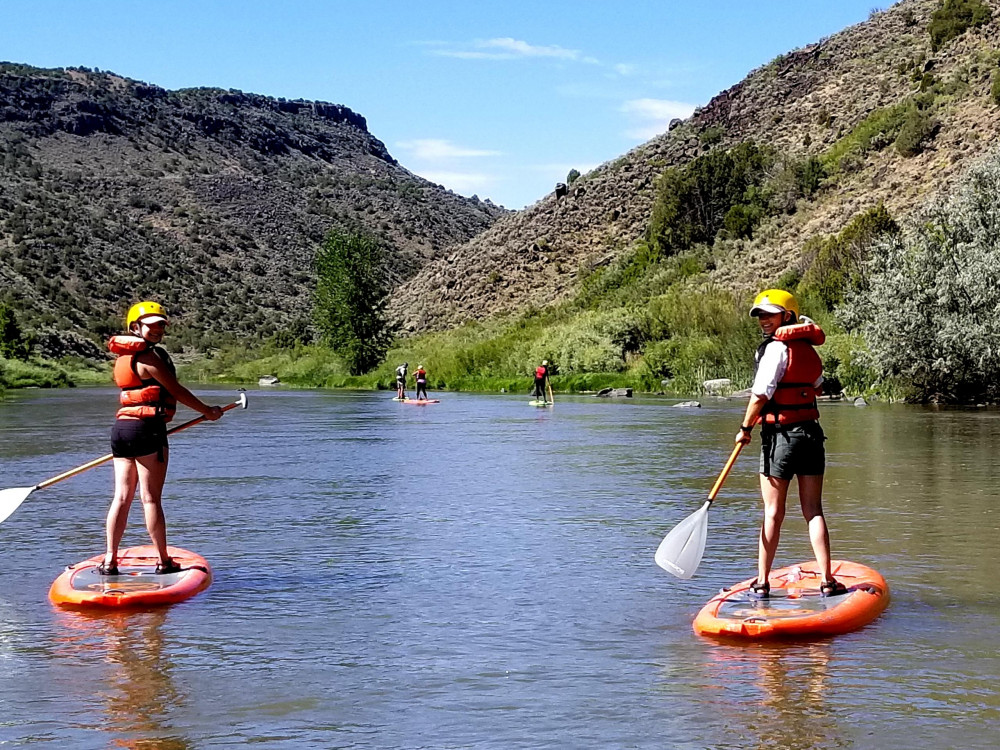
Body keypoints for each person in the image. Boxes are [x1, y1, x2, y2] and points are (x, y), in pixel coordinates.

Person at [735, 289, 847, 598]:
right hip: (811, 435)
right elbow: (818, 389)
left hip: (781, 439)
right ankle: (827, 580)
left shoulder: (776, 350)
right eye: (760, 315)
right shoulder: (808, 351)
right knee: (813, 510)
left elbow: (760, 394)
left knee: (773, 512)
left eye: (769, 315)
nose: (763, 321)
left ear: (787, 316)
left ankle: (761, 582)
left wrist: (745, 428)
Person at [100, 301, 223, 575]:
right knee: (150, 499)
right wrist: (208, 411)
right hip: (146, 431)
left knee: (121, 496)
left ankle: (110, 560)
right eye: (151, 325)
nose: (157, 330)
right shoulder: (149, 358)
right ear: (135, 327)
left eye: (161, 326)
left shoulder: (123, 359)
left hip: (121, 430)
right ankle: (163, 561)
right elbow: (176, 390)